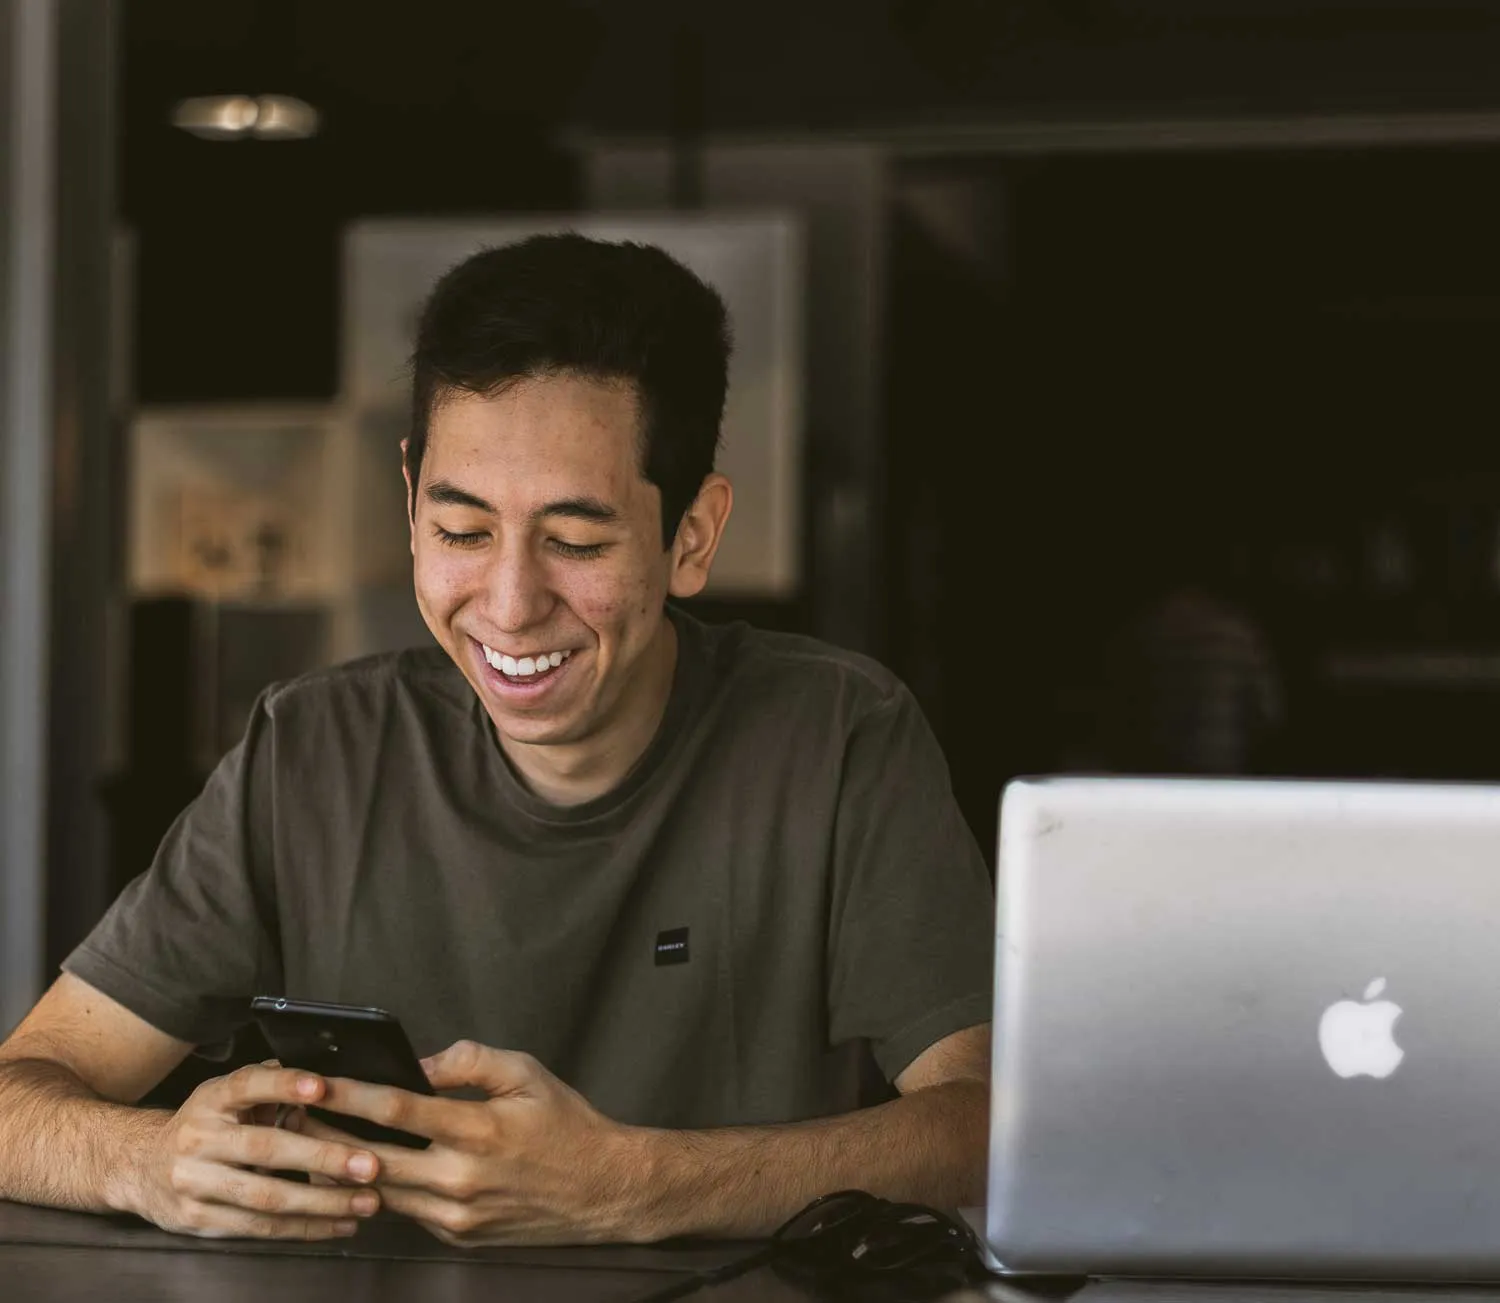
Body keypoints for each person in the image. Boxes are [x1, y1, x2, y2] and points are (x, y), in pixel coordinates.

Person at [0, 234, 993, 1247]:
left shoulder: (836, 737)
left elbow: (991, 1127)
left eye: (576, 541)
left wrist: (634, 1184)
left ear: (691, 534)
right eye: (464, 532)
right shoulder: (310, 750)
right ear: (411, 500)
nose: (510, 607)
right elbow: (15, 1100)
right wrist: (151, 1162)